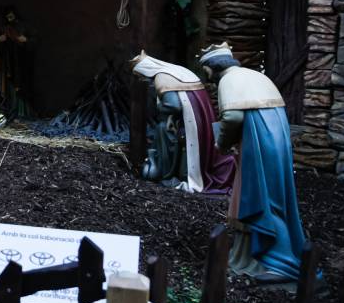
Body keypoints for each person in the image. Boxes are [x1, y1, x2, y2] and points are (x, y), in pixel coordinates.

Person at [200, 43, 306, 283]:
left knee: (265, 203)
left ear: (211, 69)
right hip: (275, 140)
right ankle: (262, 256)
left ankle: (281, 265)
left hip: (261, 146)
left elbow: (233, 116)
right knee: (274, 200)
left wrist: (222, 144)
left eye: (206, 72)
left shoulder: (228, 81)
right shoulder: (253, 76)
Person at [130, 51, 235, 193]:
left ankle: (167, 172)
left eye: (141, 76)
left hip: (188, 125)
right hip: (196, 119)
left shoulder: (161, 77)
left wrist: (159, 107)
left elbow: (173, 105)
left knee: (162, 130)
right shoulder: (176, 71)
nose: (143, 79)